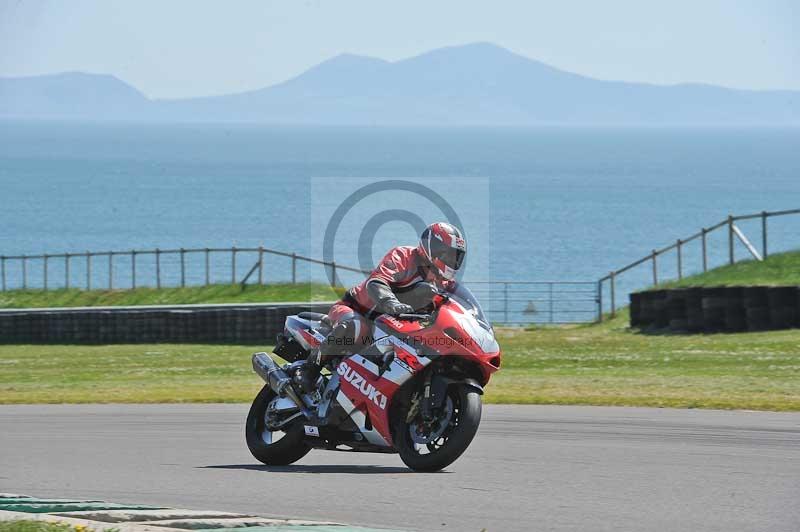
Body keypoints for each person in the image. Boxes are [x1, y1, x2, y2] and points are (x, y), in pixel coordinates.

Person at [299, 222, 466, 391]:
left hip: (390, 325)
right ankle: (309, 370)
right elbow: (377, 282)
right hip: (356, 310)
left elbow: (455, 302)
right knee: (355, 327)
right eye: (450, 255)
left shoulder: (443, 282)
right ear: (434, 249)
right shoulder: (403, 256)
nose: (453, 261)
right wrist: (391, 302)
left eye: (456, 257)